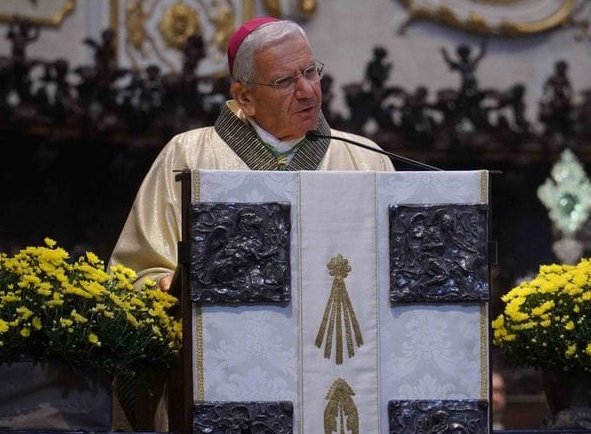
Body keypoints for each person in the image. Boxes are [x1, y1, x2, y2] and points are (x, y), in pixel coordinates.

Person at [110, 17, 394, 291]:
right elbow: (135, 274)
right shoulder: (187, 155)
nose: (307, 91)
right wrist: (169, 287)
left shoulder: (367, 160)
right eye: (284, 81)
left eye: (309, 72)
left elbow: (395, 271)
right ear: (245, 97)